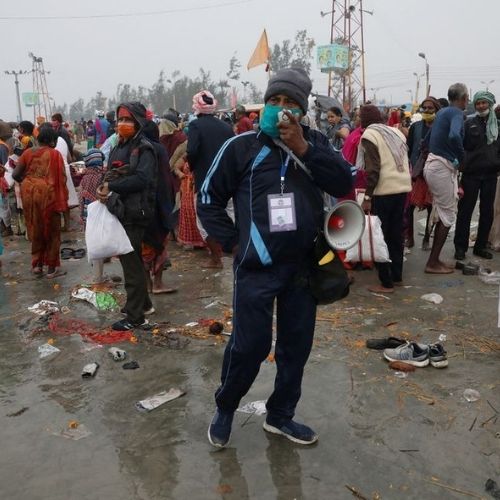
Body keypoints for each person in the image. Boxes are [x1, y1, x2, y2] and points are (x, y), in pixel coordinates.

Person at [198, 67, 353, 448]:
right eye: (274, 101)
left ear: (302, 111)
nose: (281, 109)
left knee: (295, 347)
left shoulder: (315, 143)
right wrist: (235, 241)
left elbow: (343, 182)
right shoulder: (240, 147)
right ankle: (225, 408)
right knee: (249, 347)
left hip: (304, 269)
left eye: (291, 104)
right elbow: (208, 199)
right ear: (264, 104)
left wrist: (304, 148)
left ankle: (280, 416)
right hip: (256, 269)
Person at [96, 102, 157, 331]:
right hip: (121, 209)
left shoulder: (143, 148)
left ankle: (135, 318)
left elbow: (142, 180)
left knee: (131, 264)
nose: (122, 124)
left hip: (135, 212)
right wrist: (106, 187)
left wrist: (111, 185)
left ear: (138, 122)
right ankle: (144, 304)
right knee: (132, 261)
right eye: (120, 120)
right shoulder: (119, 145)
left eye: (127, 120)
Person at [358, 105, 412, 293]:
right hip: (402, 188)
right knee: (396, 234)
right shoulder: (395, 132)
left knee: (379, 236)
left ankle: (385, 282)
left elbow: (373, 170)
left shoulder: (370, 136)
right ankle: (396, 276)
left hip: (383, 191)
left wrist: (367, 196)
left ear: (364, 121)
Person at [12, 124, 68, 278]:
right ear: (51, 141)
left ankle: (37, 266)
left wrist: (30, 180)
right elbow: (62, 178)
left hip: (29, 193)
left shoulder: (27, 153)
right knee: (52, 230)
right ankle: (52, 268)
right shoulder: (55, 154)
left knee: (35, 228)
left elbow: (16, 174)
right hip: (48, 195)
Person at [423, 83, 468, 274]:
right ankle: (432, 263)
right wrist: (462, 158)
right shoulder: (457, 113)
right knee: (448, 215)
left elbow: (427, 138)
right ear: (464, 98)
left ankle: (435, 260)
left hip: (434, 164)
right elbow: (454, 136)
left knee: (443, 212)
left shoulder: (443, 112)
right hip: (442, 167)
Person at [187, 89, 234, 268]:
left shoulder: (195, 126)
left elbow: (192, 151)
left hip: (205, 180)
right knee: (230, 214)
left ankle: (216, 259)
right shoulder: (226, 127)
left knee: (205, 219)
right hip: (228, 180)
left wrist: (192, 168)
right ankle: (235, 251)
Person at [454, 91, 500, 260]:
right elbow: (460, 145)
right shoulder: (468, 123)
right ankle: (460, 248)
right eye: (478, 103)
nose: (481, 106)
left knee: (487, 212)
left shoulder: (497, 125)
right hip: (471, 174)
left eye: (484, 103)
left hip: (490, 175)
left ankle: (480, 246)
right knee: (465, 211)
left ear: (490, 104)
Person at [141, 120, 176, 294]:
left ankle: (147, 284)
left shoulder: (138, 149)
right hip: (160, 204)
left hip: (142, 206)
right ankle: (158, 283)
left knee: (144, 247)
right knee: (159, 245)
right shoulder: (159, 149)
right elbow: (165, 177)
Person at [406, 97, 442, 249]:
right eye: (424, 108)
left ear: (436, 110)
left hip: (433, 173)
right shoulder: (415, 127)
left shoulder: (440, 127)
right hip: (416, 173)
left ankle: (427, 238)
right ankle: (410, 237)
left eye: (430, 108)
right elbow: (409, 148)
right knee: (409, 207)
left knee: (430, 208)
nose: (427, 111)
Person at [80, 148, 106, 283]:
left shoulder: (85, 178)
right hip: (102, 214)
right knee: (101, 244)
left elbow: (82, 199)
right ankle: (98, 276)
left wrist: (81, 216)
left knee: (93, 243)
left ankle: (97, 276)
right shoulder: (104, 176)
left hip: (89, 215)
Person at [0, 121, 14, 237]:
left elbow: (5, 166)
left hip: (1, 180)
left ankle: (8, 227)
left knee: (4, 206)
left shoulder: (2, 147)